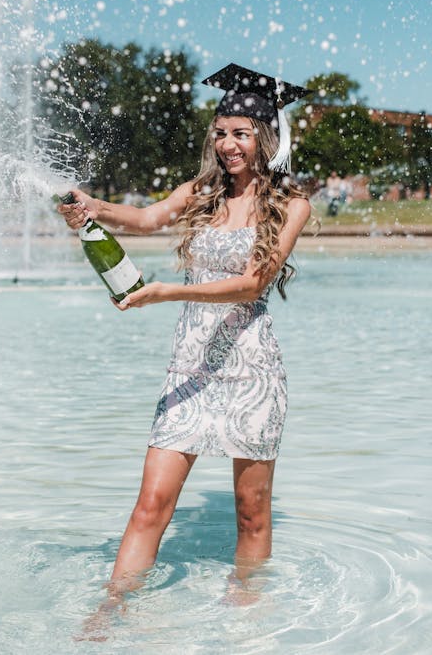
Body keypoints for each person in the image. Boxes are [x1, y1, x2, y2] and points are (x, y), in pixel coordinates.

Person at [59, 63, 312, 631]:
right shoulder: (201, 192)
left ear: (265, 139)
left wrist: (169, 291)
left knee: (251, 514)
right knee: (151, 504)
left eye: (241, 133)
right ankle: (112, 608)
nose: (227, 144)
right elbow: (147, 219)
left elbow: (252, 283)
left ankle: (245, 617)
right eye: (220, 132)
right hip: (190, 370)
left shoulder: (292, 203)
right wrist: (93, 208)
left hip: (252, 373)